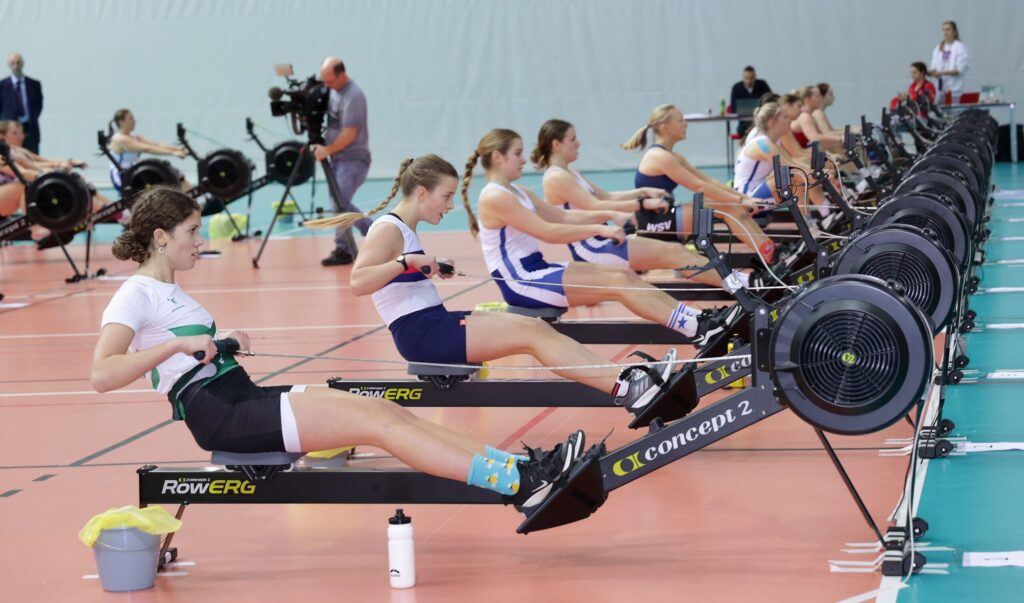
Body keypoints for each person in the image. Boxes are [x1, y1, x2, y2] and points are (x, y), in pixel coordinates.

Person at [90, 185, 589, 518]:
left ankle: (522, 472)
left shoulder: (171, 290)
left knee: (383, 411)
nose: (200, 242)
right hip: (220, 413)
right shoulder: (136, 293)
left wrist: (224, 342)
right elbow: (103, 374)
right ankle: (522, 486)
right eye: (192, 232)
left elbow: (185, 349)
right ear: (160, 237)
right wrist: (179, 343)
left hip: (236, 396)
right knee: (380, 425)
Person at [308, 154, 686, 415]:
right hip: (421, 334)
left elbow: (394, 275)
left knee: (534, 329)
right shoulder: (388, 229)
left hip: (433, 322)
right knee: (533, 333)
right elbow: (358, 282)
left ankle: (625, 382)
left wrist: (426, 267)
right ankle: (627, 388)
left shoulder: (403, 229)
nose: (450, 205)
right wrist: (405, 262)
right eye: (445, 196)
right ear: (421, 193)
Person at [462, 128, 736, 346]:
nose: (523, 159)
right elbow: (547, 232)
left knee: (627, 277)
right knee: (619, 282)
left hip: (536, 270)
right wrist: (601, 227)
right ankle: (697, 327)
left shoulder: (518, 191)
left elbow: (563, 217)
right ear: (497, 157)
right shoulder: (495, 197)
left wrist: (609, 217)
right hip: (521, 281)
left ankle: (697, 320)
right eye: (517, 153)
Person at [534, 118, 760, 289]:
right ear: (556, 144)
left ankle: (743, 282)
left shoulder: (569, 172)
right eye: (573, 139)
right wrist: (644, 204)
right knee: (677, 254)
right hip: (593, 247)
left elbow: (607, 197)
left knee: (678, 254)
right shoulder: (556, 177)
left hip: (604, 240)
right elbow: (595, 206)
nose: (578, 143)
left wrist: (642, 192)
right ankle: (744, 283)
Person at [623, 104, 779, 263]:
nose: (686, 124)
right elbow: (698, 186)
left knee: (728, 204)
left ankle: (769, 248)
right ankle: (769, 253)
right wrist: (740, 201)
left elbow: (709, 180)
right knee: (724, 205)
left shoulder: (673, 156)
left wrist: (743, 197)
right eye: (680, 120)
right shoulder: (659, 156)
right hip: (653, 223)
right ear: (665, 128)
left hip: (665, 216)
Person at [313, 56, 372, 267]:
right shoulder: (334, 91)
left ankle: (367, 235)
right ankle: (350, 244)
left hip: (353, 159)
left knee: (340, 203)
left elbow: (349, 133)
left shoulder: (353, 96)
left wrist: (327, 149)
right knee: (339, 203)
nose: (326, 86)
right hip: (338, 158)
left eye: (329, 81)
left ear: (341, 74)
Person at [107, 108, 188, 194]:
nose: (134, 121)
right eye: (131, 118)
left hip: (135, 173)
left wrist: (178, 149)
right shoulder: (120, 139)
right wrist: (173, 153)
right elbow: (147, 148)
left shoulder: (134, 137)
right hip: (122, 177)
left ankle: (190, 203)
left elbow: (155, 144)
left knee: (176, 173)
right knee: (163, 178)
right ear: (121, 122)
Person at [0, 53, 43, 153]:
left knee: (33, 159)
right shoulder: (2, 86)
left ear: (23, 64)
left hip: (30, 130)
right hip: (10, 133)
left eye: (18, 62)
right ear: (9, 65)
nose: (16, 65)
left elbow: (38, 106)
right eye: (13, 63)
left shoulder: (34, 84)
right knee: (13, 159)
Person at [929, 21, 970, 103]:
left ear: (954, 31)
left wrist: (941, 73)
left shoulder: (960, 47)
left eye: (948, 29)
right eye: (943, 30)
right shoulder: (938, 48)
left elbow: (959, 70)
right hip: (940, 90)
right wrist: (929, 72)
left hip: (954, 91)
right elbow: (934, 68)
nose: (945, 32)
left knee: (953, 115)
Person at [730, 66, 772, 135]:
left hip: (762, 121)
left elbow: (771, 100)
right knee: (742, 130)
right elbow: (733, 108)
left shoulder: (762, 85)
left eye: (751, 78)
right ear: (743, 77)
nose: (749, 81)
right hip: (744, 123)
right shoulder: (736, 88)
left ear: (755, 77)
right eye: (746, 78)